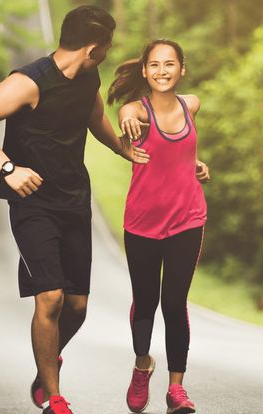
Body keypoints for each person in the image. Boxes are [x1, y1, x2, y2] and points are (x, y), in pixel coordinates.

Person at [0, 6, 149, 414]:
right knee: (50, 298)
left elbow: (94, 115)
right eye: (107, 48)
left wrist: (120, 148)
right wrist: (8, 168)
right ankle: (53, 397)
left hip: (74, 200)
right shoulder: (29, 82)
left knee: (77, 307)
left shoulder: (89, 76)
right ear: (94, 49)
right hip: (34, 205)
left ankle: (47, 363)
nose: (107, 54)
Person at [107, 39, 210, 414]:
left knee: (174, 303)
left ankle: (176, 389)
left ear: (182, 68)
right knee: (146, 300)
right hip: (143, 222)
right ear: (145, 71)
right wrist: (126, 120)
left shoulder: (191, 104)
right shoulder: (136, 110)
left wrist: (195, 164)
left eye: (169, 64)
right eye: (154, 65)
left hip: (187, 219)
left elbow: (180, 150)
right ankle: (142, 365)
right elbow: (126, 114)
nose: (162, 71)